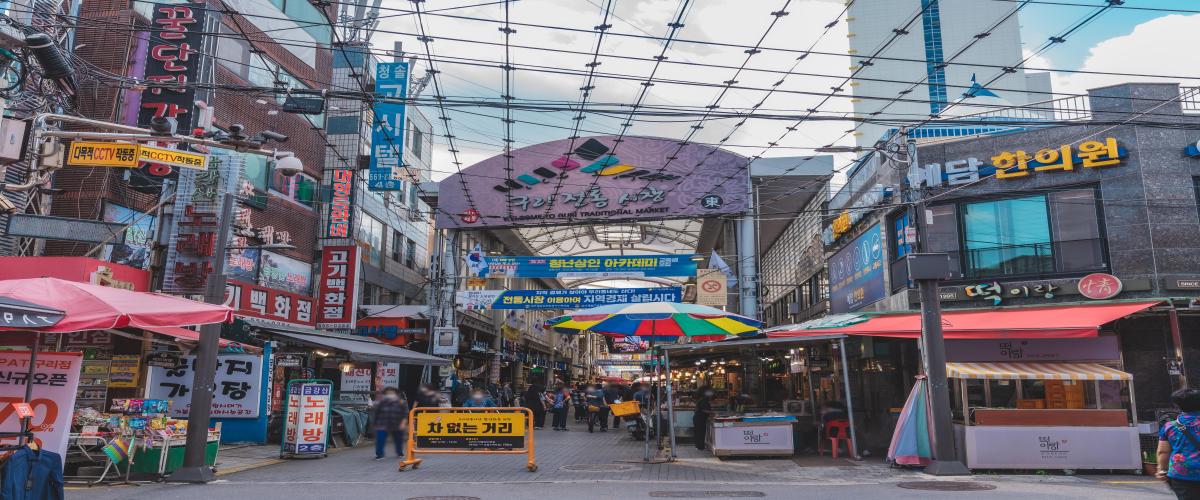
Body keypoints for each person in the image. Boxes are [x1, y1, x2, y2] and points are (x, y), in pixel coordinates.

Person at [1159, 388, 1200, 498]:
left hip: (1182, 474)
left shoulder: (1170, 426)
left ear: (1177, 405)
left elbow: (1163, 452)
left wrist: (1162, 470)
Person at [371, 387, 409, 460]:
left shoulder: (401, 402)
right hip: (382, 424)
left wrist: (403, 423)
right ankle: (379, 454)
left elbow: (405, 414)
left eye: (391, 393)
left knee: (398, 439)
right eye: (388, 393)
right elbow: (376, 413)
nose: (390, 395)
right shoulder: (381, 402)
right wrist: (375, 424)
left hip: (397, 424)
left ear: (396, 394)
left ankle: (399, 452)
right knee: (380, 439)